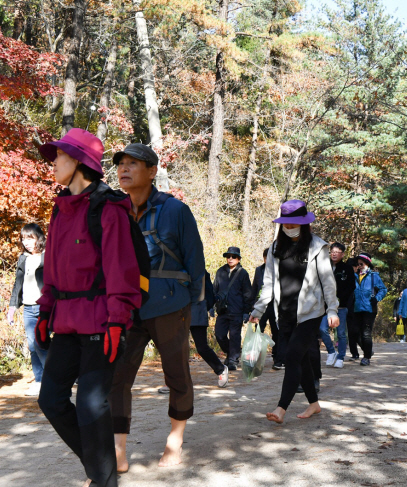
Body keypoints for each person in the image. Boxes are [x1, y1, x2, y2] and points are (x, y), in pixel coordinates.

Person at [35, 128, 142, 487]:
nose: (53, 163)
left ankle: (103, 480)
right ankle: (101, 470)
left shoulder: (108, 209)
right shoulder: (60, 210)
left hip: (101, 324)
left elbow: (121, 271)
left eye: (59, 157)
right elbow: (51, 268)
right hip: (66, 324)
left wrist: (117, 322)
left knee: (91, 407)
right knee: (50, 400)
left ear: (80, 162)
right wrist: (46, 309)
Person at [107, 143, 208, 473]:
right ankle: (118, 449)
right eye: (121, 163)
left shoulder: (175, 210)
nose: (124, 168)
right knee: (117, 377)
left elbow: (196, 261)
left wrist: (189, 304)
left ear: (152, 171)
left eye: (133, 164)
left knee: (176, 374)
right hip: (126, 306)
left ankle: (174, 441)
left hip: (169, 305)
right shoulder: (114, 209)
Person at [249, 199, 339, 424]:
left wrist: (332, 310)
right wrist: (258, 310)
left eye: (293, 224)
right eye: (285, 225)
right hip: (285, 313)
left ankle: (281, 408)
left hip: (310, 313)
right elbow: (268, 282)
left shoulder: (318, 247)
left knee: (291, 357)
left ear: (304, 223)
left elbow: (328, 282)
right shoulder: (275, 248)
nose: (289, 228)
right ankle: (314, 404)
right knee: (303, 360)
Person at [9, 223, 47, 396]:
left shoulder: (48, 256)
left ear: (38, 238)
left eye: (30, 238)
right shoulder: (23, 258)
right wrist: (12, 307)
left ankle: (53, 378)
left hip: (46, 306)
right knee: (33, 345)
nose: (26, 242)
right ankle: (39, 380)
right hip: (29, 307)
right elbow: (18, 284)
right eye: (24, 239)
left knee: (43, 343)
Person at [213, 247, 254, 370]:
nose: (230, 259)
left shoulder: (243, 273)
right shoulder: (220, 271)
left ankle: (233, 361)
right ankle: (231, 353)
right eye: (228, 256)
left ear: (239, 259)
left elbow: (248, 294)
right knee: (219, 335)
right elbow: (214, 290)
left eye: (233, 256)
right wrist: (211, 306)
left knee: (235, 336)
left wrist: (246, 312)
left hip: (237, 310)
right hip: (222, 310)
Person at [318, 242, 355, 369]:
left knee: (341, 333)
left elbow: (351, 286)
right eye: (332, 251)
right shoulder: (324, 266)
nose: (334, 254)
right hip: (325, 305)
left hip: (341, 305)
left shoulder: (347, 268)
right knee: (322, 328)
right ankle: (331, 351)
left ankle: (340, 357)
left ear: (342, 254)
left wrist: (340, 298)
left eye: (337, 252)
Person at [353, 253, 387, 366]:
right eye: (357, 264)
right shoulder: (355, 276)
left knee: (366, 333)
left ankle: (366, 357)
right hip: (356, 308)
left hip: (369, 308)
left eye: (361, 263)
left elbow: (383, 289)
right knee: (355, 333)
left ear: (367, 263)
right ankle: (368, 350)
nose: (359, 266)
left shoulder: (374, 276)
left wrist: (376, 298)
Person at [253, 248, 281, 368]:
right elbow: (254, 287)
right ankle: (255, 358)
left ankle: (278, 358)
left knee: (277, 333)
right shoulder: (259, 270)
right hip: (261, 306)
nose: (267, 260)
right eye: (265, 258)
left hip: (276, 306)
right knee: (258, 331)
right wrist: (253, 307)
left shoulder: (280, 270)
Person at [346, 257, 360, 361]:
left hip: (355, 307)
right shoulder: (352, 277)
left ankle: (356, 352)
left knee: (354, 331)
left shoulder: (358, 277)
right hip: (352, 307)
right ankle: (355, 352)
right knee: (353, 331)